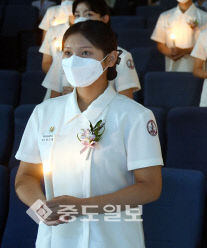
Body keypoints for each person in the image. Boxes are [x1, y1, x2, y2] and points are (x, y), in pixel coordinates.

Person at [14, 20, 163, 248]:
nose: (74, 61)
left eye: (85, 53)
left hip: (113, 237)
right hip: (57, 236)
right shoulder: (44, 112)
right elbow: (25, 177)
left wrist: (83, 206)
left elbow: (150, 187)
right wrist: (41, 208)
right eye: (67, 53)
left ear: (110, 59)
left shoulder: (135, 116)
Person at [43, 0, 141, 99]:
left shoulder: (121, 56)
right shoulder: (63, 55)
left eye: (88, 14)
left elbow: (126, 101)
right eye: (77, 15)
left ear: (104, 18)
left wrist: (81, 96)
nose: (81, 19)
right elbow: (53, 98)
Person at [150, 0, 207, 72]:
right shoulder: (165, 16)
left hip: (195, 67)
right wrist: (170, 53)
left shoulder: (204, 17)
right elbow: (160, 42)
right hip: (172, 66)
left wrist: (185, 51)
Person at [40, 0, 88, 74]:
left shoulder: (92, 30)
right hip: (58, 84)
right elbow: (46, 63)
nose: (66, 2)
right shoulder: (53, 31)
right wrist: (61, 81)